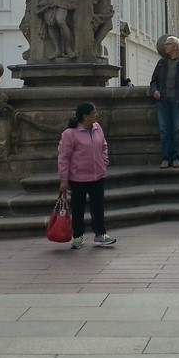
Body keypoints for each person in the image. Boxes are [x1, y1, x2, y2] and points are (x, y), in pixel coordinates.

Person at [57, 102, 116, 249]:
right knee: (78, 208)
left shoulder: (97, 129)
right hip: (78, 178)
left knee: (98, 207)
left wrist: (104, 161)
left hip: (97, 176)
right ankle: (78, 236)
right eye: (94, 113)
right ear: (85, 117)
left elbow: (104, 146)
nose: (97, 115)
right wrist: (64, 180)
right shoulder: (70, 134)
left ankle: (100, 234)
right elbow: (63, 157)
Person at [149, 36, 179, 169]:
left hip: (178, 101)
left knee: (176, 130)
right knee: (164, 131)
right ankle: (165, 158)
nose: (165, 46)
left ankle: (176, 158)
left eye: (167, 44)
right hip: (162, 101)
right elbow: (153, 81)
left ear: (175, 47)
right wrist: (155, 91)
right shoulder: (162, 62)